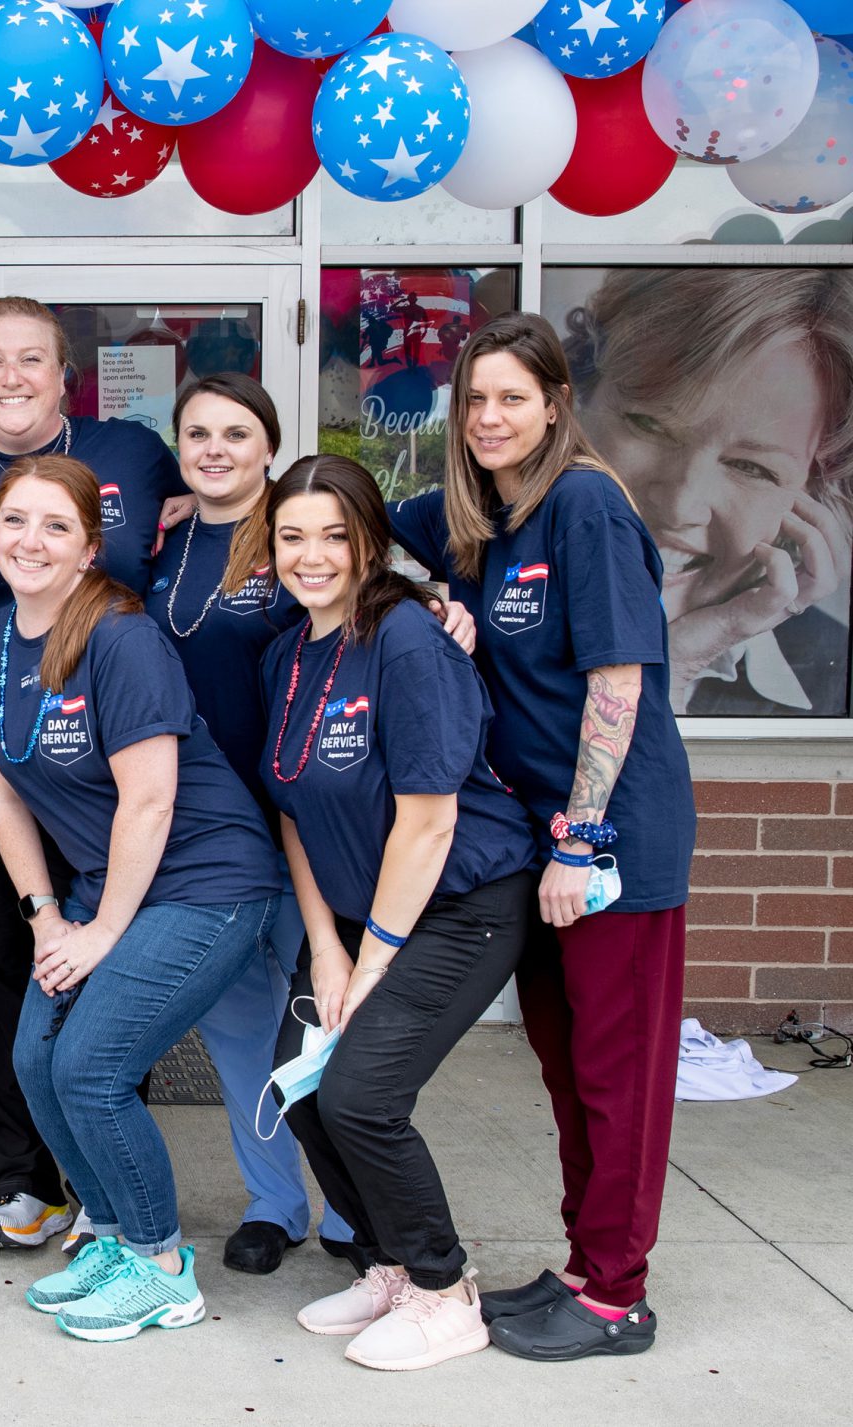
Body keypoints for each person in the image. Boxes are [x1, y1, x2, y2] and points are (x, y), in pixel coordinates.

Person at [390, 311, 696, 1362]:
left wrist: (582, 841)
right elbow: (350, 513)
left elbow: (617, 678)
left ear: (556, 405)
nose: (487, 417)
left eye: (511, 398)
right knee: (567, 1070)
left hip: (609, 839)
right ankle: (584, 1263)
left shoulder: (581, 505)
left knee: (618, 1072)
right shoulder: (485, 513)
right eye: (473, 399)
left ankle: (617, 1295)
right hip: (534, 840)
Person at [0, 453, 282, 1343]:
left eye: (56, 526)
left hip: (206, 878)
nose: (32, 541)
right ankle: (107, 1234)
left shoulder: (122, 636)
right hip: (102, 888)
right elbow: (3, 795)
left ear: (88, 549)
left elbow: (152, 799)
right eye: (16, 521)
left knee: (92, 1069)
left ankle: (163, 1267)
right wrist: (44, 915)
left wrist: (102, 930)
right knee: (36, 1060)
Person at [232, 454, 538, 1372]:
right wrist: (327, 947)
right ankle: (391, 1263)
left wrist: (373, 963)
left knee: (363, 1092)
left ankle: (446, 1291)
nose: (312, 555)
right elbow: (294, 806)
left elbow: (430, 818)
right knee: (300, 1078)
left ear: (371, 542)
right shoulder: (286, 654)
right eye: (292, 536)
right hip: (357, 918)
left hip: (460, 903)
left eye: (335, 535)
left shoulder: (407, 638)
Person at [0, 295, 184, 1252]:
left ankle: (103, 1186)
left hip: (104, 780)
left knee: (109, 978)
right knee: (0, 978)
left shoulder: (137, 458)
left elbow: (237, 511)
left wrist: (428, 596)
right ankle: (20, 1184)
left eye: (31, 359)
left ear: (64, 374)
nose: (11, 377)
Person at [137, 373, 362, 1276]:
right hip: (202, 835)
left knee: (326, 1022)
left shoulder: (298, 532)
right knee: (237, 1030)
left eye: (237, 433)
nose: (216, 449)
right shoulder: (166, 539)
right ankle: (275, 1201)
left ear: (270, 445)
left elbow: (371, 603)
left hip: (302, 821)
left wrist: (442, 606)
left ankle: (354, 1205)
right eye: (198, 434)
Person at [563, 267, 853, 715]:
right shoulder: (471, 610)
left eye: (750, 467)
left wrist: (680, 660)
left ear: (813, 496)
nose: (681, 506)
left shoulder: (833, 681)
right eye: (649, 425)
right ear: (574, 405)